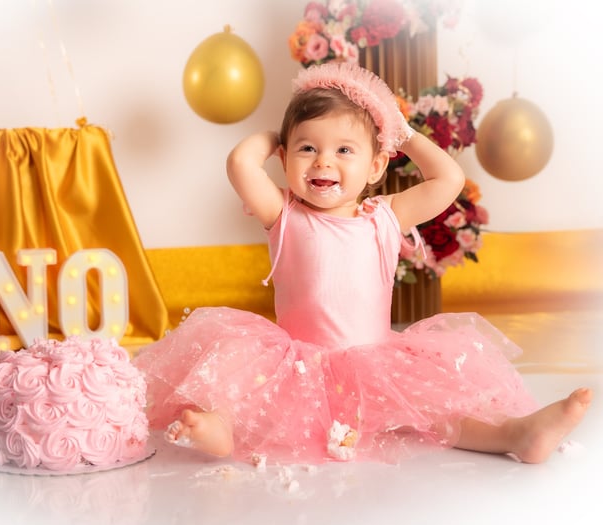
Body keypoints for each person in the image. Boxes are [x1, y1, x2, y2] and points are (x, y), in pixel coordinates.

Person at [133, 62, 592, 465]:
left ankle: (515, 434)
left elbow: (448, 179)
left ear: (376, 167)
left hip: (374, 363)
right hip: (297, 368)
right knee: (240, 377)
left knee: (434, 410)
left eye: (344, 150)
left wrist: (401, 132)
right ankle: (221, 426)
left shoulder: (385, 217)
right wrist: (279, 137)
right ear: (286, 159)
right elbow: (240, 162)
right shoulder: (284, 213)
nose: (322, 161)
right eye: (307, 149)